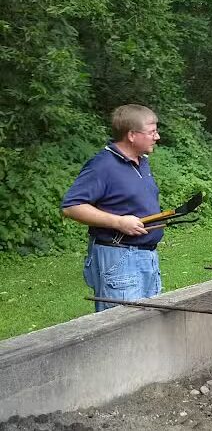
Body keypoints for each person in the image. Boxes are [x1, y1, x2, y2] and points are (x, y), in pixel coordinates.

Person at [62, 104, 163, 312]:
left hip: (147, 257)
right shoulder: (103, 165)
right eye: (152, 132)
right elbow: (72, 206)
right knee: (121, 328)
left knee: (149, 324)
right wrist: (118, 222)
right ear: (132, 135)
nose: (157, 137)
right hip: (120, 258)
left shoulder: (142, 162)